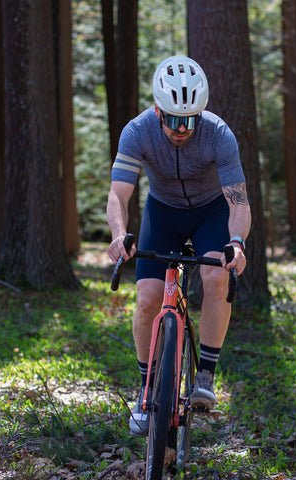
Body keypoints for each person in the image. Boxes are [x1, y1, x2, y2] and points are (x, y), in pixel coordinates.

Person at [106, 56, 251, 437]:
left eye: (190, 119)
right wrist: (119, 234)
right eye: (172, 119)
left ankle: (205, 374)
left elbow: (238, 202)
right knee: (148, 298)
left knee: (217, 276)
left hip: (210, 213)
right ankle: (145, 389)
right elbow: (119, 194)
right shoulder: (137, 131)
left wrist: (236, 242)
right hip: (163, 212)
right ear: (157, 109)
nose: (182, 128)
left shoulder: (219, 134)